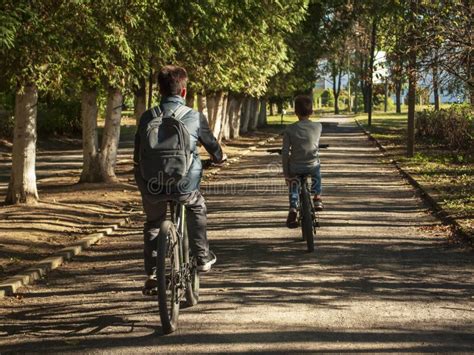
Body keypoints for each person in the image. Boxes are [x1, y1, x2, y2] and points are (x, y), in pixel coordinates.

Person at [133, 65, 226, 293]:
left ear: (160, 91)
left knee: (154, 223)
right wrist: (219, 158)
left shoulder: (147, 117)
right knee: (196, 205)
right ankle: (202, 257)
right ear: (183, 92)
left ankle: (153, 273)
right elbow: (213, 147)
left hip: (152, 183)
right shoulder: (194, 116)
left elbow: (137, 156)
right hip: (185, 183)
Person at [281, 95, 323, 229]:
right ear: (311, 112)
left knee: (294, 183)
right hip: (312, 165)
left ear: (295, 112)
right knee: (317, 170)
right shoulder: (318, 127)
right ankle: (317, 197)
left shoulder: (289, 129)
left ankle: (293, 208)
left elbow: (285, 152)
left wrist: (286, 174)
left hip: (295, 167)